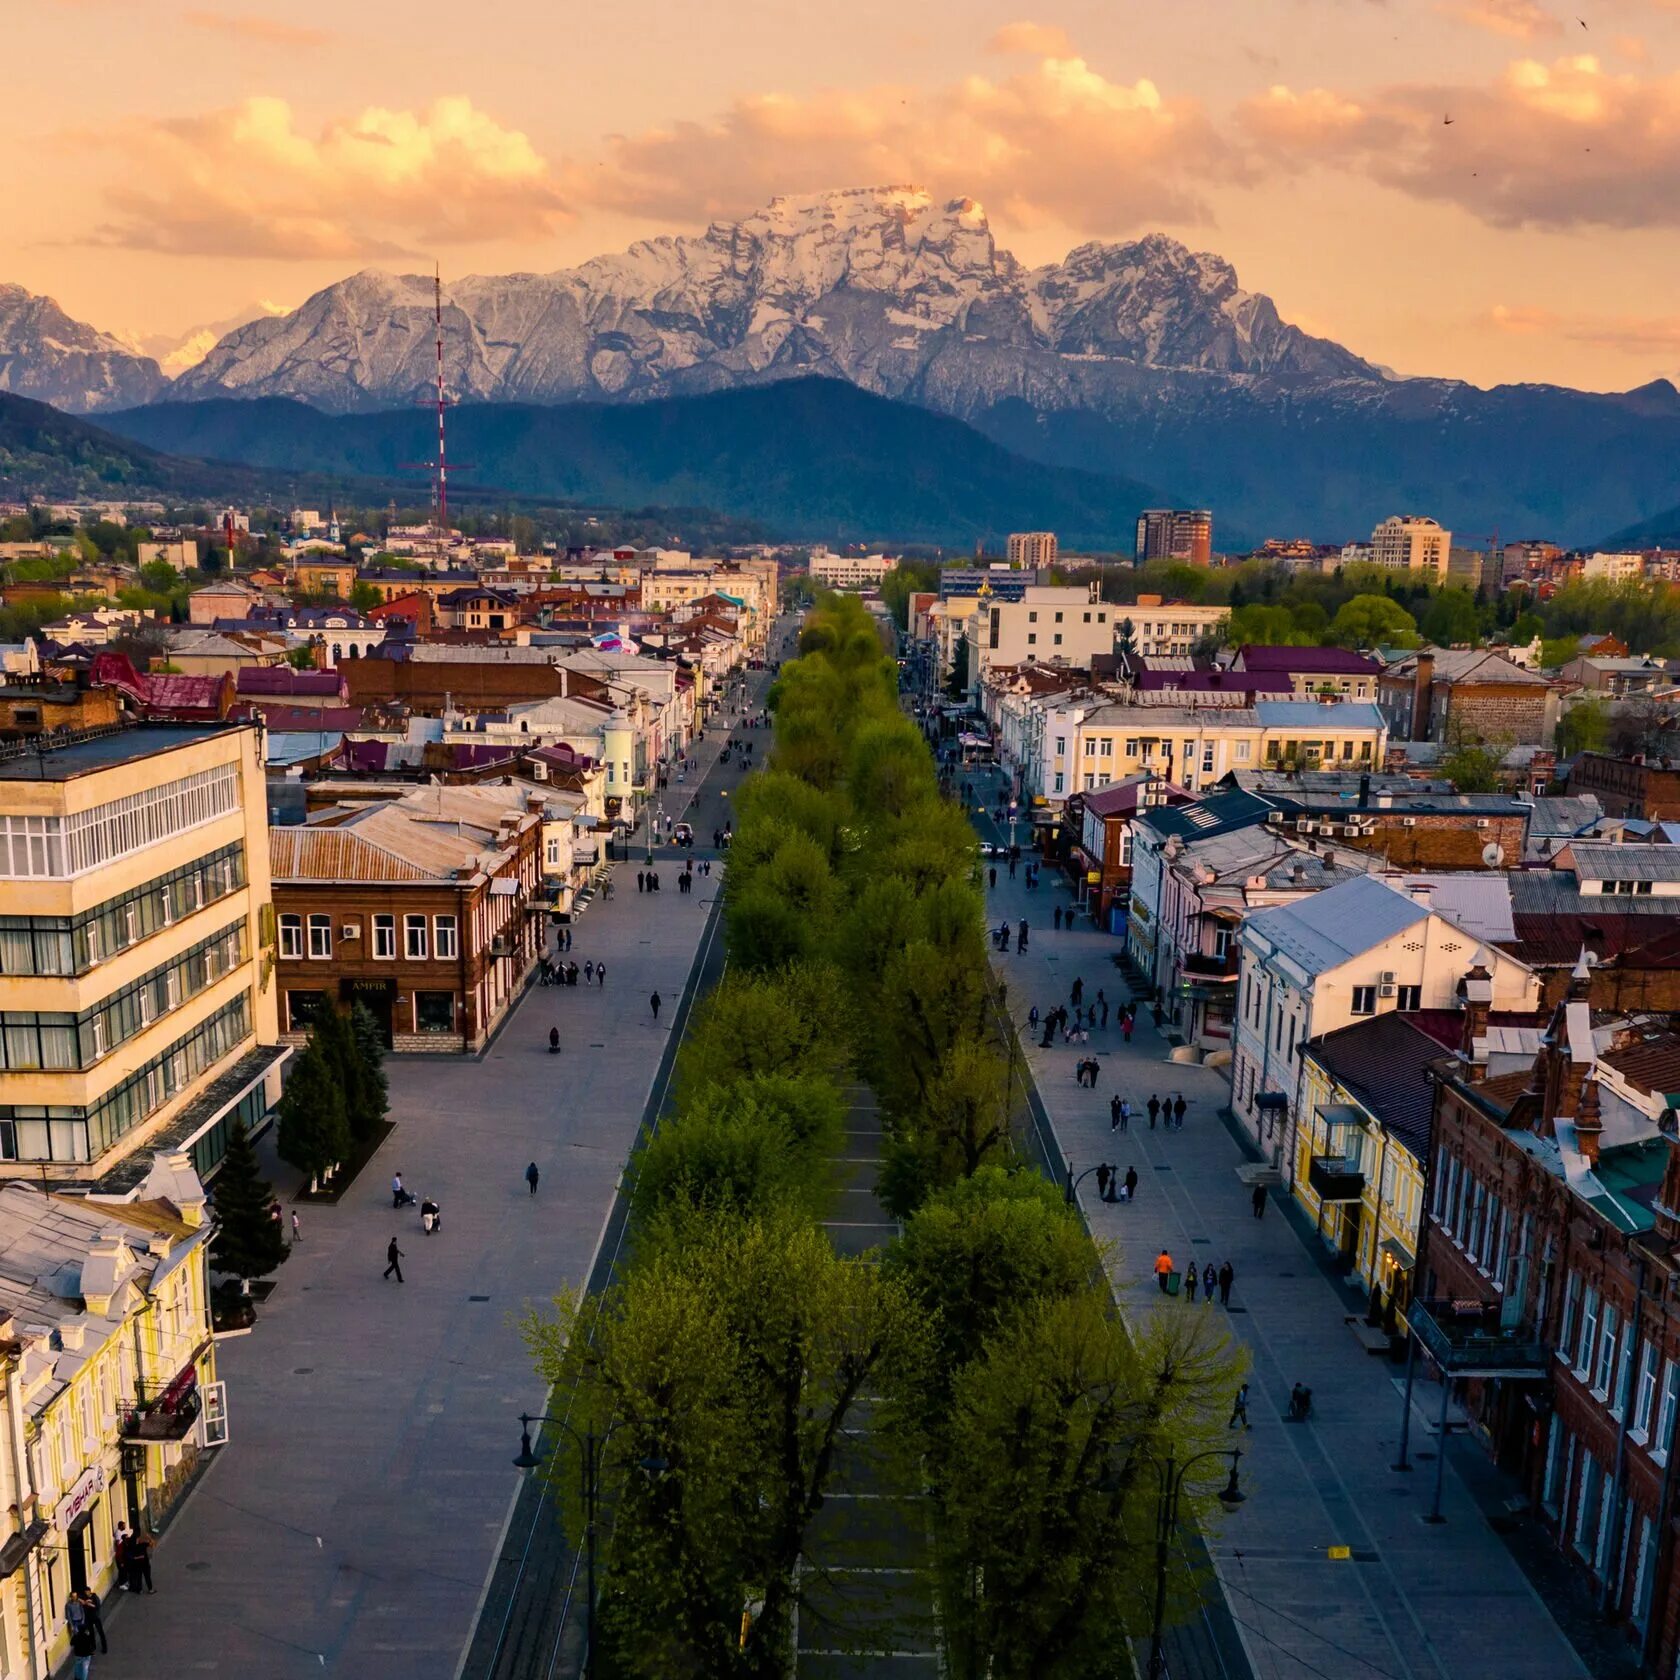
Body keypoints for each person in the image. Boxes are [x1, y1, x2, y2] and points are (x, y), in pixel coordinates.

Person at [128, 1527, 155, 1593]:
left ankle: (140, 1590)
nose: (139, 1538)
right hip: (145, 1564)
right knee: (147, 1577)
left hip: (137, 1565)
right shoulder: (142, 1545)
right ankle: (150, 1589)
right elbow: (153, 1545)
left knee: (139, 1577)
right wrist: (149, 1538)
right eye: (138, 1538)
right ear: (137, 1539)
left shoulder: (133, 1547)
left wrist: (137, 1558)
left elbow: (132, 1557)